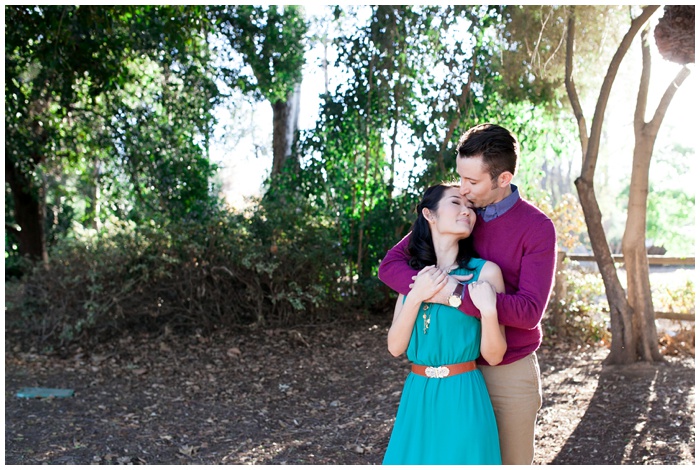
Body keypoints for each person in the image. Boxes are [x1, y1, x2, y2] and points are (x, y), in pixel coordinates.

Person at [378, 123, 557, 465]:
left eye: (472, 182)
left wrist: (457, 295)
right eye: (460, 177)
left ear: (502, 179)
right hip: (450, 373)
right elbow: (391, 266)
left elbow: (529, 311)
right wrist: (426, 291)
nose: (463, 189)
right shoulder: (461, 214)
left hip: (506, 368)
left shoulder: (536, 228)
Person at [382, 183, 506, 465]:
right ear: (430, 214)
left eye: (470, 207)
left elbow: (495, 354)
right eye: (455, 203)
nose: (467, 211)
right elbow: (395, 346)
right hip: (418, 396)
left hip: (464, 393)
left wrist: (488, 312)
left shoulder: (485, 272)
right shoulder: (413, 274)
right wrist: (416, 296)